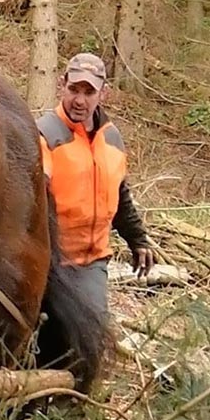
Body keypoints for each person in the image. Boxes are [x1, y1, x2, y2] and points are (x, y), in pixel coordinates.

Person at [37, 52, 155, 319]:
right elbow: (28, 197)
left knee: (90, 335)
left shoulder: (111, 139)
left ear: (104, 93)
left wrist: (138, 240)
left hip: (92, 262)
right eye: (73, 89)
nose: (79, 100)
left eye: (89, 92)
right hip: (47, 262)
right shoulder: (44, 134)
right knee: (48, 336)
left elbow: (120, 196)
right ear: (61, 84)